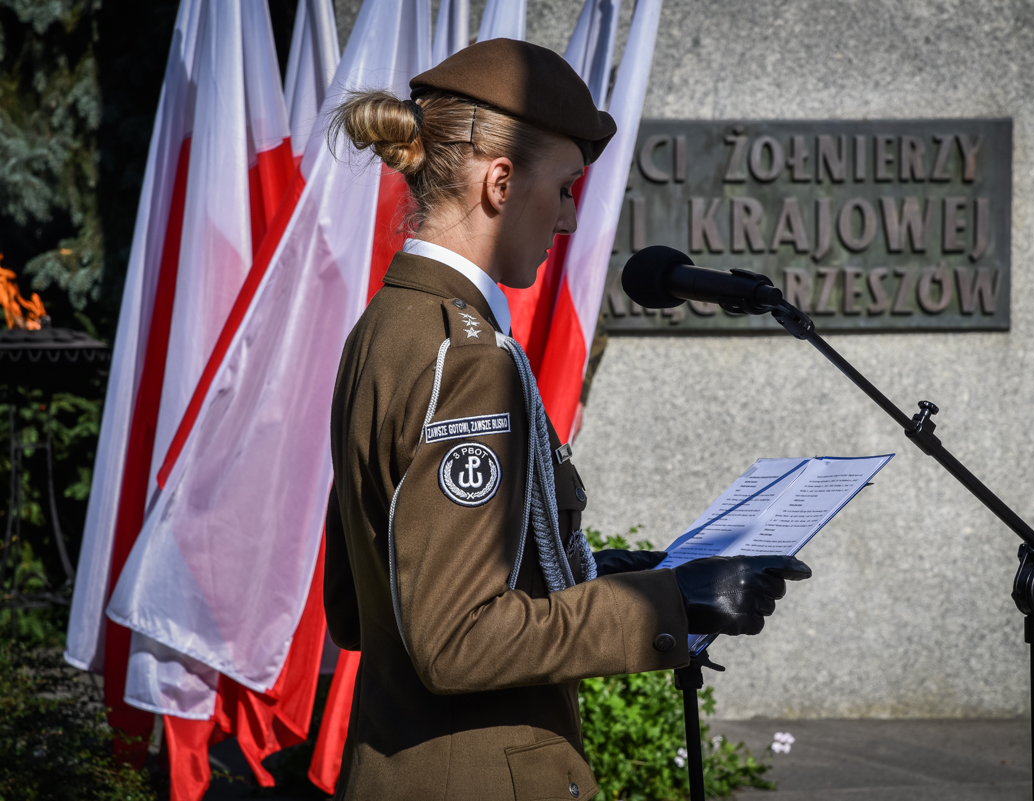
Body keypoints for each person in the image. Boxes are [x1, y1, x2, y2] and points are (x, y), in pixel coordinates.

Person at [324, 38, 811, 801]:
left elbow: (361, 601)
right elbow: (456, 638)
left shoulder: (386, 327)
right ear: (500, 182)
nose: (569, 219)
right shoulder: (471, 360)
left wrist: (597, 572)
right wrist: (667, 603)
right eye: (564, 188)